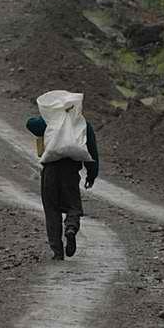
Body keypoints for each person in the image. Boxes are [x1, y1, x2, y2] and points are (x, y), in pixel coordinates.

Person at [26, 90, 99, 261]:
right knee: (73, 205)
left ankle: (57, 251)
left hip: (50, 171)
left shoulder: (50, 122)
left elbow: (30, 124)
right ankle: (71, 227)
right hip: (71, 171)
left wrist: (50, 114)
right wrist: (91, 175)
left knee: (52, 210)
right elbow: (92, 152)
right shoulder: (83, 125)